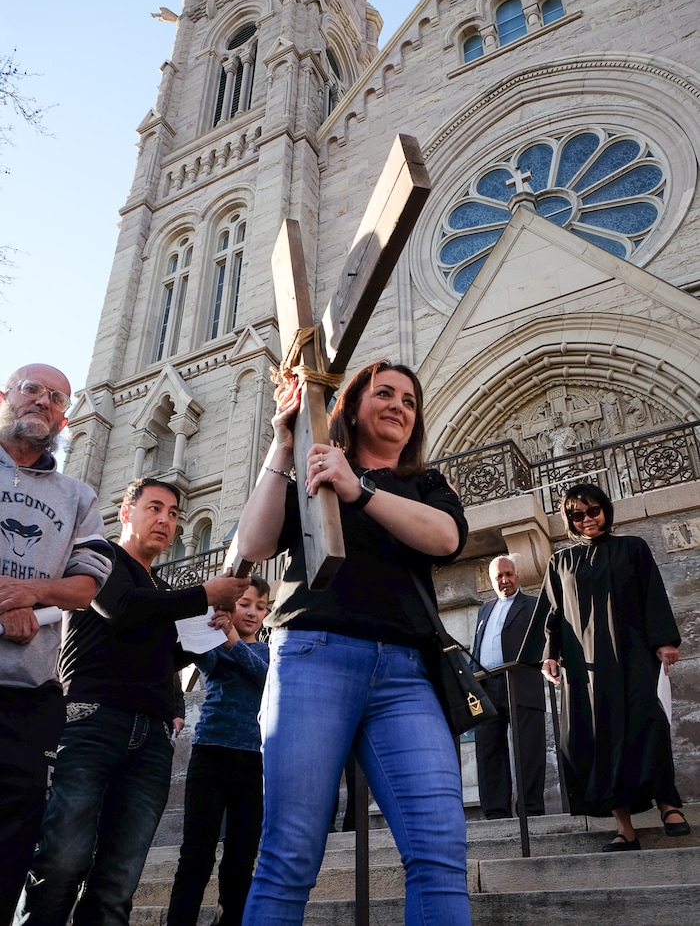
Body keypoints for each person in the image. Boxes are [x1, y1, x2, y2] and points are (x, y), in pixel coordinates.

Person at [236, 359, 472, 926]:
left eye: (409, 401)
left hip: (407, 675)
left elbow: (445, 538)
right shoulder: (311, 469)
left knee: (440, 852)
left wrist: (358, 490)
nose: (397, 406)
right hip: (314, 656)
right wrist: (283, 440)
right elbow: (253, 543)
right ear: (352, 406)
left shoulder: (424, 485)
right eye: (384, 393)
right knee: (289, 852)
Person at [15, 477, 249, 926]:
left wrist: (210, 630)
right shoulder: (101, 558)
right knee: (61, 862)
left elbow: (163, 652)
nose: (165, 520)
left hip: (154, 736)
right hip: (92, 722)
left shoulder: (161, 590)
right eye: (154, 508)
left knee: (118, 883)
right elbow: (119, 606)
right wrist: (203, 595)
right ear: (127, 513)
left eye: (174, 514)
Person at [0, 365, 114, 926]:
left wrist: (31, 596)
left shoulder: (78, 496)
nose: (42, 402)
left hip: (28, 696)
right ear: (4, 396)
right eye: (31, 390)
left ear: (64, 418)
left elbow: (86, 586)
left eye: (55, 398)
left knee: (12, 846)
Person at [519, 482, 690, 851]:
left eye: (593, 511)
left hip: (632, 657)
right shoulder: (560, 562)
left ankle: (668, 805)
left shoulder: (633, 548)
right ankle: (625, 828)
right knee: (596, 739)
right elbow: (551, 612)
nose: (587, 520)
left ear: (606, 510)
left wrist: (663, 641)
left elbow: (652, 594)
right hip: (586, 669)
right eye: (577, 515)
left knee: (648, 724)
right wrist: (548, 654)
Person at [166, 574, 271, 926]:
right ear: (230, 606)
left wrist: (232, 642)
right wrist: (218, 632)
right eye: (245, 604)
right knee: (196, 854)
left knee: (241, 859)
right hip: (210, 752)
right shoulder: (214, 644)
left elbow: (265, 676)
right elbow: (201, 657)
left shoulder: (268, 650)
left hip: (254, 761)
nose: (253, 612)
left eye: (261, 607)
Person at [472, 555, 546, 819]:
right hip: (486, 686)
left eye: (509, 574)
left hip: (520, 682)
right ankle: (495, 813)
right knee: (488, 749)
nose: (504, 580)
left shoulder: (534, 605)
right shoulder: (484, 610)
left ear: (517, 575)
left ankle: (531, 811)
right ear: (492, 581)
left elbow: (547, 644)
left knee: (528, 748)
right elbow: (476, 647)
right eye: (498, 577)